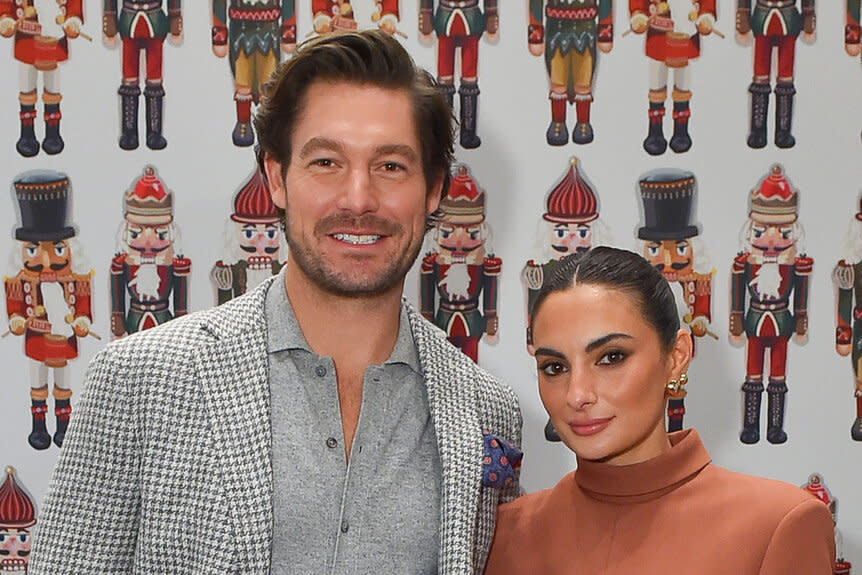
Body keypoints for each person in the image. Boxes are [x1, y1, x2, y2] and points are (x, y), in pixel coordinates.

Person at [29, 29, 522, 574]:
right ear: (276, 178)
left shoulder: (486, 410)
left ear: (432, 191)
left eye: (390, 166)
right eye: (327, 163)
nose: (358, 199)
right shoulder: (141, 380)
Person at [485, 246, 835, 574]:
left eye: (611, 357)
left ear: (677, 357)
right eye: (555, 367)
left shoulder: (778, 524)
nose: (577, 395)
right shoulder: (503, 534)